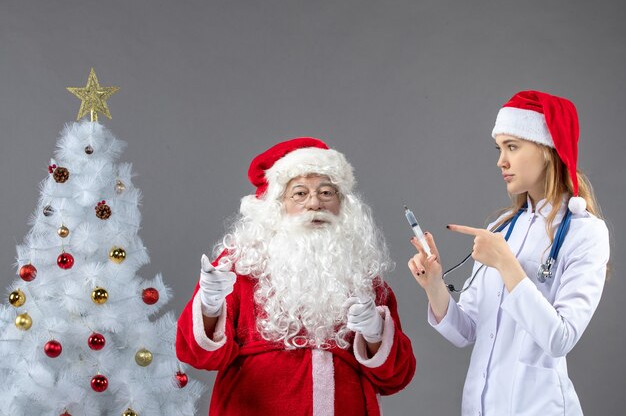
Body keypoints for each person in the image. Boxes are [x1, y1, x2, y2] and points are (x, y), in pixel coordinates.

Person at [177, 137, 415, 416]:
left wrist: (375, 333)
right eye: (300, 193)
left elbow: (396, 377)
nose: (314, 203)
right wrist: (209, 306)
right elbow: (198, 355)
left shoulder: (362, 275)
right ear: (277, 205)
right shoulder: (240, 264)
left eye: (326, 192)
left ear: (342, 204)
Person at [408, 90, 610, 416]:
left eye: (512, 147)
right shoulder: (501, 227)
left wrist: (505, 263)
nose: (501, 161)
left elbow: (560, 339)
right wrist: (433, 286)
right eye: (500, 148)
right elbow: (468, 330)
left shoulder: (586, 233)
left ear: (547, 150)